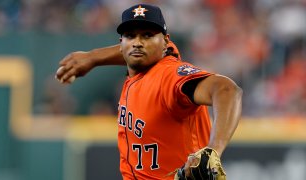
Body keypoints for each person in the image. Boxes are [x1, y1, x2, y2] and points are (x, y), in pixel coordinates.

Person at [56, 4, 242, 180]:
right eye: (130, 35)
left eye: (147, 35)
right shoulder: (142, 67)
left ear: (165, 42)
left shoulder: (169, 77)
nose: (138, 43)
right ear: (121, 43)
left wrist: (213, 150)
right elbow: (135, 51)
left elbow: (227, 90)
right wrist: (93, 57)